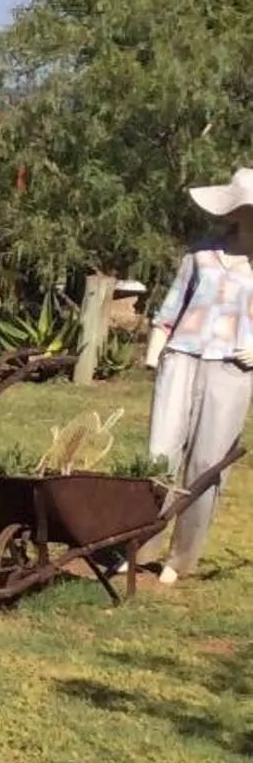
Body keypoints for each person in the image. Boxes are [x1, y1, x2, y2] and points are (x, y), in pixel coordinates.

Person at [143, 169, 253, 584]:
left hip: (234, 367)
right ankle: (140, 543)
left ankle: (179, 558)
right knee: (159, 454)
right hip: (181, 357)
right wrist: (156, 352)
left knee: (208, 463)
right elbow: (172, 306)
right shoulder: (202, 253)